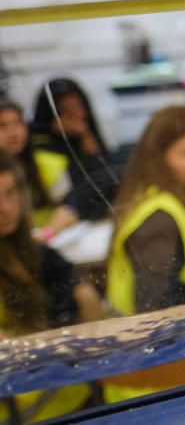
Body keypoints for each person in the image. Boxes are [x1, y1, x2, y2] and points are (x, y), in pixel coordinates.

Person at [103, 106, 185, 403]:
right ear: (159, 161)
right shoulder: (160, 219)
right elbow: (152, 310)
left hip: (184, 368)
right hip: (155, 389)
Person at [0, 154, 102, 422]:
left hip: (75, 394)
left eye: (12, 193)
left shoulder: (34, 251)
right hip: (25, 409)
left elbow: (88, 304)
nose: (6, 208)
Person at [29, 77, 117, 222]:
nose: (75, 113)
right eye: (65, 109)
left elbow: (106, 176)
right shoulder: (39, 144)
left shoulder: (86, 133)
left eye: (78, 105)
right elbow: (74, 186)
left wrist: (86, 137)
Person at [0, 99, 78, 238]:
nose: (13, 132)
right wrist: (49, 232)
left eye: (18, 123)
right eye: (2, 126)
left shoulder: (49, 164)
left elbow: (68, 212)